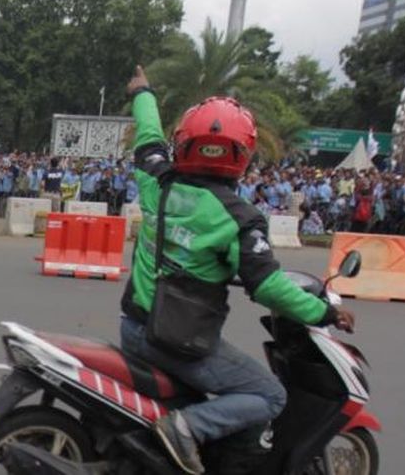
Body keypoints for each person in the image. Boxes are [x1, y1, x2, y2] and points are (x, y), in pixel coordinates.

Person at [119, 66, 354, 474]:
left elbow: (148, 137)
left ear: (185, 143)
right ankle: (186, 428)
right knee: (270, 395)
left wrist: (144, 92)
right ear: (242, 155)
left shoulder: (159, 181)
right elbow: (267, 287)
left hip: (135, 327)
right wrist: (326, 313)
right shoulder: (240, 219)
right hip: (177, 342)